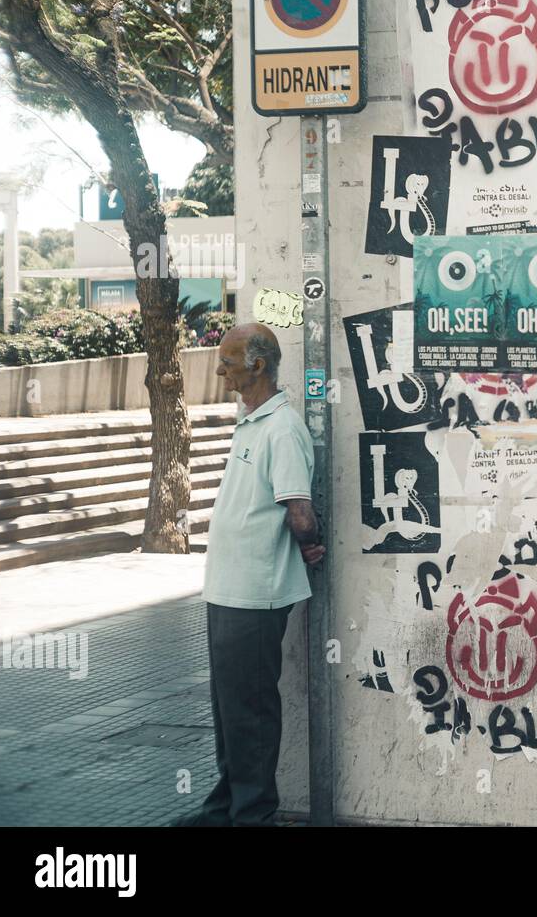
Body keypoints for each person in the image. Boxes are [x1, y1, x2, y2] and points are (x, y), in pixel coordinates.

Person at [170, 323, 325, 826]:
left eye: (227, 361)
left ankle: (254, 815)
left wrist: (310, 545)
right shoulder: (253, 422)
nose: (218, 369)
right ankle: (223, 809)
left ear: (257, 366)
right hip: (228, 592)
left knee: (251, 711)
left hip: (257, 596)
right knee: (228, 709)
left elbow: (298, 509)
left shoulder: (282, 429)